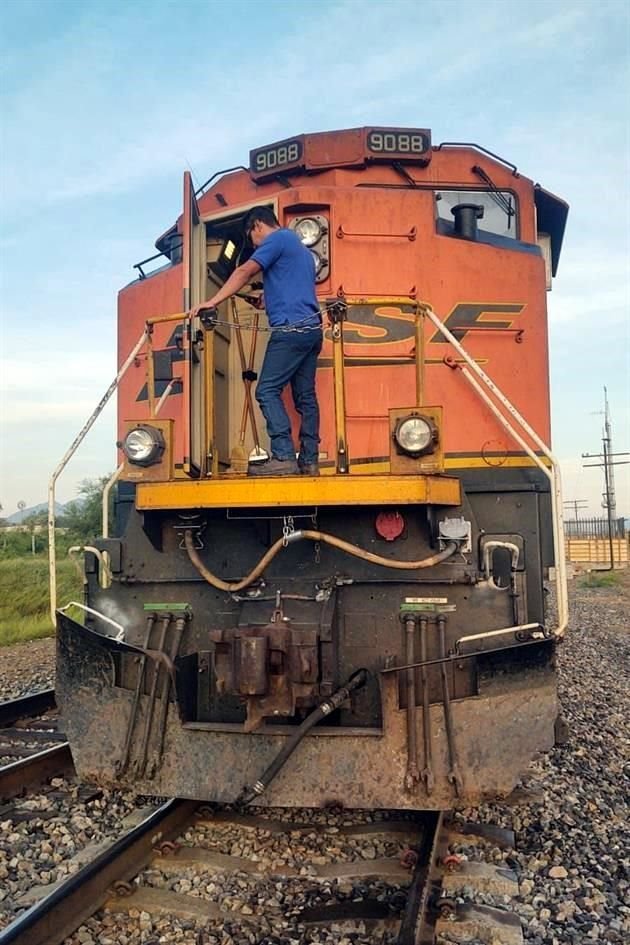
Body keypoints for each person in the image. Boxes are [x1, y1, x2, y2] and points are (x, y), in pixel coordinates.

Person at [195, 206, 322, 477]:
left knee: (265, 391)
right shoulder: (299, 249)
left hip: (290, 330)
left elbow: (245, 271)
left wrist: (213, 300)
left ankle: (284, 456)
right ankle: (309, 461)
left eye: (251, 239)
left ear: (257, 226)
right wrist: (265, 298)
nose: (254, 245)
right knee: (306, 397)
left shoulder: (277, 238)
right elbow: (292, 287)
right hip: (311, 330)